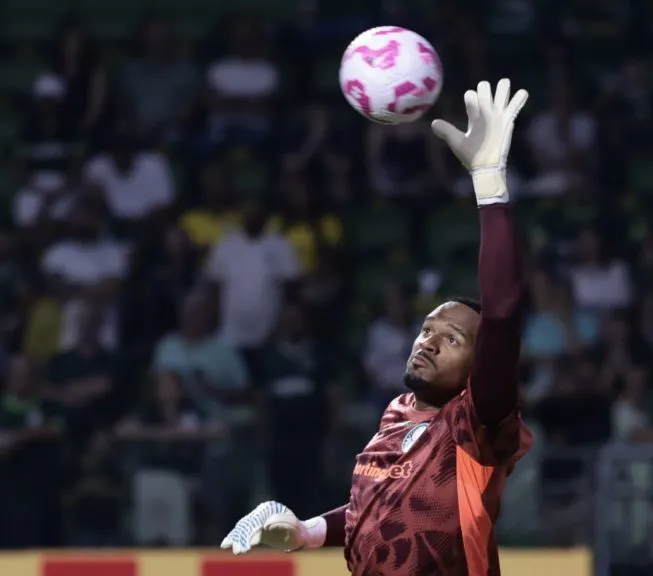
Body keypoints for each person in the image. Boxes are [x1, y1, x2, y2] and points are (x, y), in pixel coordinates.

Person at [221, 79, 532, 576]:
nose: (428, 342)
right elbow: (379, 512)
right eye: (427, 329)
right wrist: (309, 531)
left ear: (481, 366)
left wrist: (489, 183)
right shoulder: (397, 416)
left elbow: (502, 312)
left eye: (452, 339)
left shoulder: (476, 425)